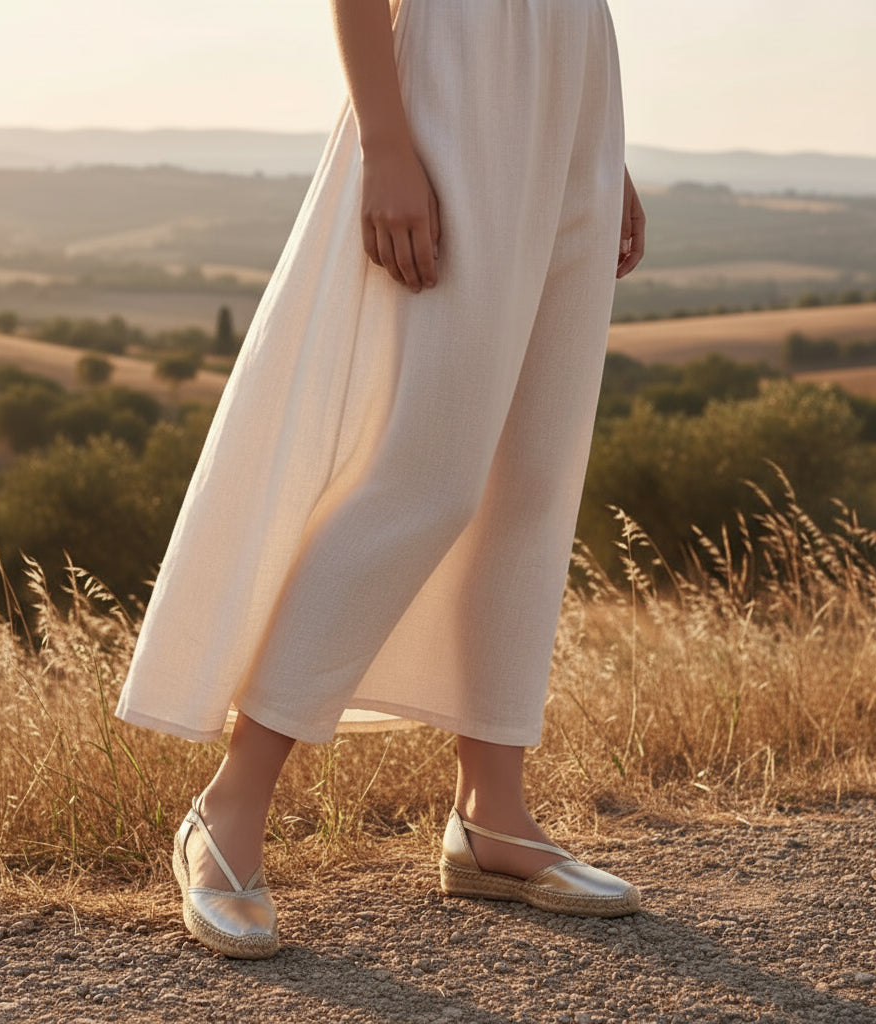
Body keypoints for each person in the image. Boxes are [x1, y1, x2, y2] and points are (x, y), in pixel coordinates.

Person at [116, 0, 646, 959]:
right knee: (427, 475)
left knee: (531, 476)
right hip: (457, 75)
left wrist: (601, 155)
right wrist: (386, 143)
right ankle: (227, 814)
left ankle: (495, 817)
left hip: (577, 77)